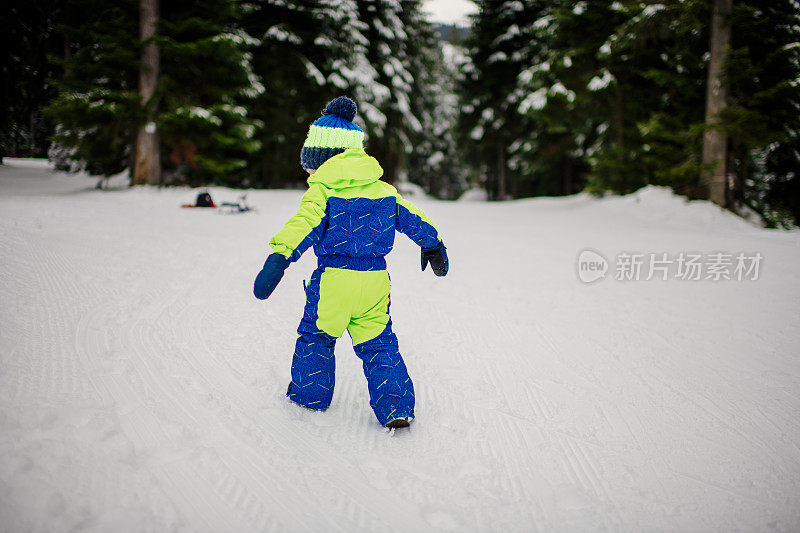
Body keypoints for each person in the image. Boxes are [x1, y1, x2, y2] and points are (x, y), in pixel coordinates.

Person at [253, 96, 448, 428]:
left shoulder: (323, 192)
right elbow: (414, 218)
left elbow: (302, 226)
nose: (307, 172)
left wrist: (279, 257)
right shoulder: (385, 190)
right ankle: (397, 407)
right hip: (374, 283)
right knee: (379, 343)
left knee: (316, 336)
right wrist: (433, 244)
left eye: (310, 165)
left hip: (334, 282)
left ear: (325, 159)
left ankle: (309, 395)